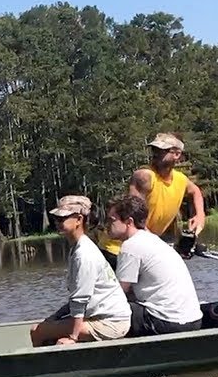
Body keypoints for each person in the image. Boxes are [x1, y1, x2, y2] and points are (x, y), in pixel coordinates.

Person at [30, 195, 132, 346]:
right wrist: (54, 317)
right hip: (98, 317)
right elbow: (76, 300)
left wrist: (73, 337)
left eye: (62, 218)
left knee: (37, 331)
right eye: (56, 218)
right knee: (45, 328)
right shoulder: (78, 248)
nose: (57, 222)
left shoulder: (84, 254)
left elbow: (80, 300)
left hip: (111, 323)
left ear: (79, 219)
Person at [97, 132, 206, 268]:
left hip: (143, 248)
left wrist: (200, 216)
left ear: (177, 154)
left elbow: (195, 191)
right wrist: (160, 249)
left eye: (162, 151)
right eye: (154, 149)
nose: (156, 153)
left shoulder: (180, 180)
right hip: (116, 250)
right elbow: (134, 218)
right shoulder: (144, 176)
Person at [105, 194, 204, 336]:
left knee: (109, 311)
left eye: (111, 220)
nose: (107, 225)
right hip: (194, 321)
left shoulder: (131, 246)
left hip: (168, 322)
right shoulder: (152, 240)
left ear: (129, 222)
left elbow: (117, 294)